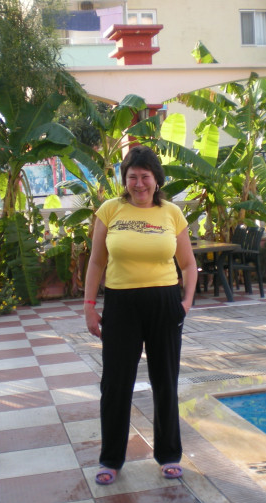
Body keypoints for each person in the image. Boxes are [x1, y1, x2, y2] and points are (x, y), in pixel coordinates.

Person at [83, 145, 197, 485]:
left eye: (145, 176)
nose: (139, 184)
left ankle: (169, 455)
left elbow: (188, 264)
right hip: (121, 305)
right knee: (115, 383)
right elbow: (96, 262)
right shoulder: (109, 210)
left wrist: (186, 303)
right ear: (125, 179)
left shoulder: (172, 213)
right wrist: (89, 306)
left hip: (164, 303)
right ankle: (111, 459)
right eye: (132, 177)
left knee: (166, 380)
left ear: (156, 179)